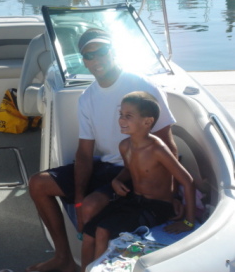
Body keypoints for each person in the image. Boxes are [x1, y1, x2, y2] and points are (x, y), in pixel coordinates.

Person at [26, 28, 179, 272]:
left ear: (114, 51)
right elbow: (84, 154)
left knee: (93, 205)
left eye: (102, 52)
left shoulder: (142, 85)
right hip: (106, 166)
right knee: (38, 183)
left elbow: (167, 144)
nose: (95, 60)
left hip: (137, 172)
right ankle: (64, 258)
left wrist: (172, 197)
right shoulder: (87, 97)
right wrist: (77, 197)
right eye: (88, 55)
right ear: (83, 62)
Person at [81, 91, 195, 270]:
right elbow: (128, 170)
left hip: (157, 207)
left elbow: (187, 180)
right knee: (88, 234)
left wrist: (188, 221)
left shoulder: (157, 148)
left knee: (103, 231)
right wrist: (116, 181)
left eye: (128, 116)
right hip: (134, 201)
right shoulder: (125, 146)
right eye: (121, 115)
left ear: (147, 122)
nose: (121, 120)